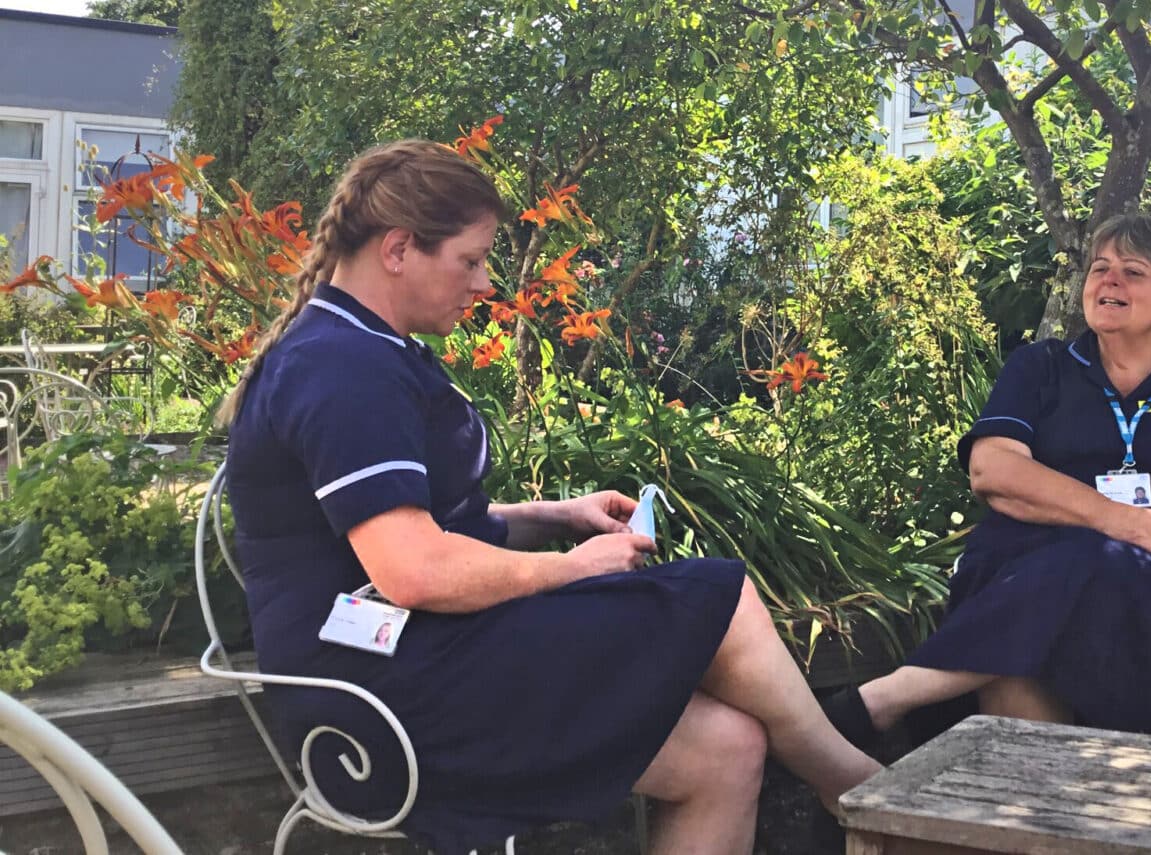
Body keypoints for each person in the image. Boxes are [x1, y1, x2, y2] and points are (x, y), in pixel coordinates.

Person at [221, 140, 879, 855]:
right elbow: (413, 569)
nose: (482, 284)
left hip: (418, 655)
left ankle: (856, 788)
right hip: (376, 702)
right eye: (469, 260)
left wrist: (556, 516)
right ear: (399, 249)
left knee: (726, 747)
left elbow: (432, 529)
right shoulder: (340, 366)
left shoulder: (365, 347)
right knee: (713, 596)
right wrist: (574, 565)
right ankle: (862, 792)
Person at [826, 214, 1151, 748]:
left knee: (1090, 578)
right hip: (1024, 568)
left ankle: (891, 698)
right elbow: (991, 469)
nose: (1108, 281)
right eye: (1100, 268)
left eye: (1133, 272)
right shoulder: (1041, 368)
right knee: (1065, 595)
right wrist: (1119, 521)